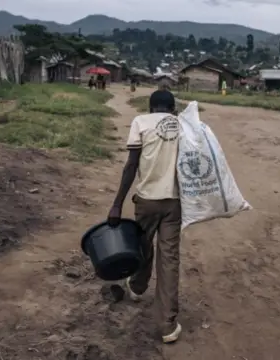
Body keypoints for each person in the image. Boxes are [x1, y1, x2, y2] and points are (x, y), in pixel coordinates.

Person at [108, 89, 183, 344]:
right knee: (169, 260)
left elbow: (131, 166)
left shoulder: (141, 122)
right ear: (172, 109)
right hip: (174, 202)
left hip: (147, 201)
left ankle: (138, 287)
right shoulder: (182, 126)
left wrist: (117, 204)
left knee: (143, 247)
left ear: (151, 108)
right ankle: (168, 326)